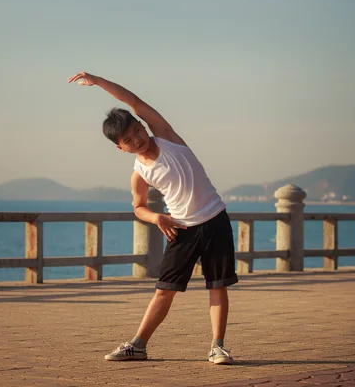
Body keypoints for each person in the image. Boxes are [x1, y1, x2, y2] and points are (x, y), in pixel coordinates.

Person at [67, 71, 238, 364]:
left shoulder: (167, 136)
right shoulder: (140, 174)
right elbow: (138, 207)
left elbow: (132, 100)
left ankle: (218, 346)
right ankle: (138, 345)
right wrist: (157, 218)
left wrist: (98, 81)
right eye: (128, 140)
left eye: (137, 132)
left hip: (215, 220)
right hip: (181, 229)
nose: (137, 140)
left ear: (144, 126)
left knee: (217, 286)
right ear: (120, 148)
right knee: (164, 292)